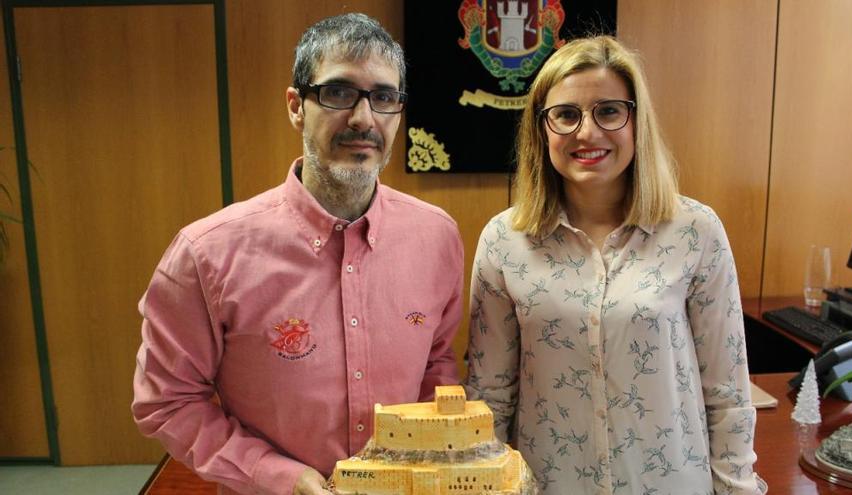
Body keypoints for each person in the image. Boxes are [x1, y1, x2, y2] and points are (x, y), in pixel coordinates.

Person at [132, 13, 464, 495]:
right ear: (295, 106)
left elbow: (436, 364)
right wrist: (279, 477)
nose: (362, 119)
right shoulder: (207, 254)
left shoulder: (437, 237)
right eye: (338, 93)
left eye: (384, 97)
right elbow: (166, 401)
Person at [464, 36, 766, 494]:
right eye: (566, 115)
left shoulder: (695, 232)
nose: (587, 132)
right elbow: (489, 398)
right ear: (542, 129)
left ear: (636, 122)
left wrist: (737, 488)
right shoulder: (504, 242)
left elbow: (727, 394)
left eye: (608, 111)